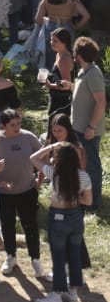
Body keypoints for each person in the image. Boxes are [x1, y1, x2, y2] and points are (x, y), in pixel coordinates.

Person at [30, 141, 93, 302]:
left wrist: (51, 146)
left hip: (58, 218)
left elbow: (33, 158)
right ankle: (73, 293)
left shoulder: (55, 173)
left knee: (58, 258)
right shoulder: (83, 176)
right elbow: (88, 200)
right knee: (74, 256)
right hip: (76, 218)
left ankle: (56, 296)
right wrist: (73, 198)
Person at [0, 108, 46, 280]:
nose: (17, 127)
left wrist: (39, 180)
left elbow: (42, 159)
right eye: (12, 124)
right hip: (4, 193)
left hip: (27, 190)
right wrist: (0, 183)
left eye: (19, 123)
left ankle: (36, 260)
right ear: (3, 126)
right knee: (7, 225)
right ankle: (10, 256)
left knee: (30, 226)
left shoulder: (28, 137)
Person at [68, 35, 105, 209]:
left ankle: (94, 202)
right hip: (79, 128)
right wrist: (68, 86)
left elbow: (101, 102)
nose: (73, 54)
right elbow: (83, 92)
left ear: (79, 55)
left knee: (92, 167)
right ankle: (86, 197)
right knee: (84, 165)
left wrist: (91, 127)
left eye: (74, 52)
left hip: (87, 130)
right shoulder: (84, 71)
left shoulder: (94, 73)